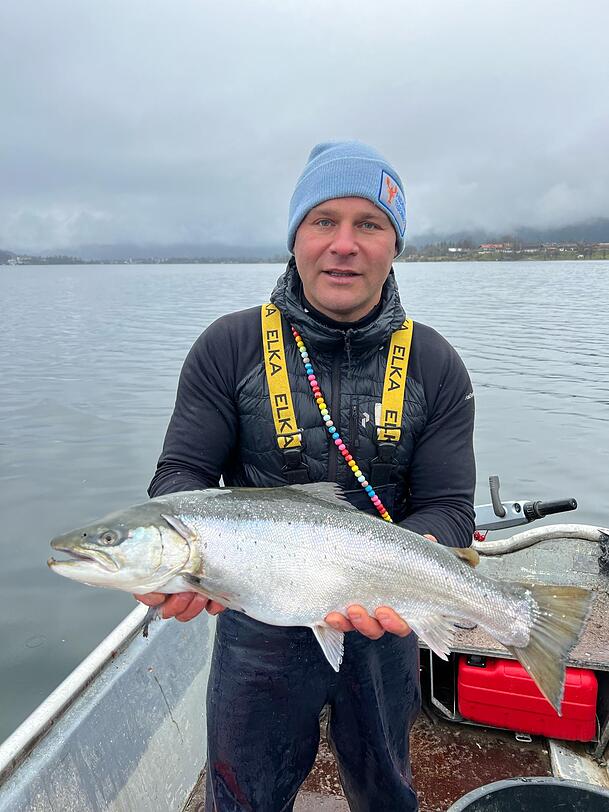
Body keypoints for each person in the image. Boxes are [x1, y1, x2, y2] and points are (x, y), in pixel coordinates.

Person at [137, 141, 476, 811]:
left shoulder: (434, 363)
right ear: (295, 237)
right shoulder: (229, 347)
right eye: (323, 221)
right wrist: (183, 560)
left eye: (368, 224)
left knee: (386, 791)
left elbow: (449, 509)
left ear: (395, 245)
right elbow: (180, 475)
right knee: (244, 797)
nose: (343, 244)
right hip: (256, 613)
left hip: (384, 615)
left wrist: (411, 565)